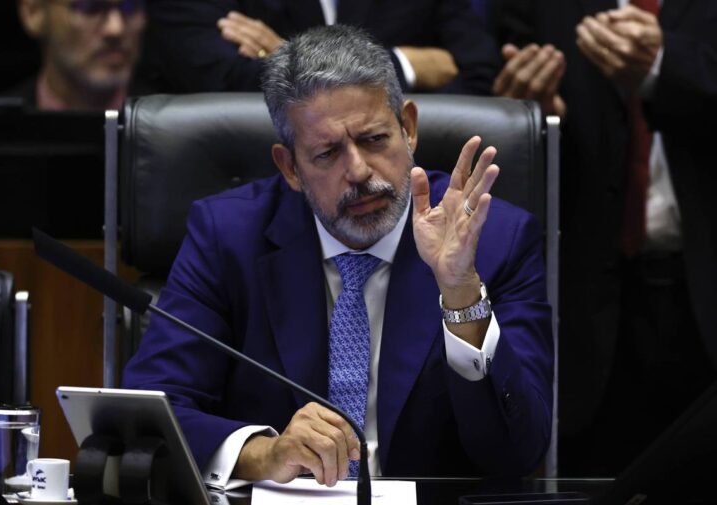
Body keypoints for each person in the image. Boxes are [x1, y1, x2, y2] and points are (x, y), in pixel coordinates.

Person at [122, 25, 553, 487]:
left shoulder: (495, 239)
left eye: (374, 139)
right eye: (327, 153)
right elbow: (150, 414)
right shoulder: (228, 236)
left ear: (408, 128)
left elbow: (518, 451)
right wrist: (262, 454)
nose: (359, 171)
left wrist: (460, 292)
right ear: (290, 167)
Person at [492, 0, 717, 475]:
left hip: (700, 290)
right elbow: (492, 93)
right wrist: (535, 118)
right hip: (586, 305)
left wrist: (665, 66)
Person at [133, 0, 500, 95]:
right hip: (251, 189)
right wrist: (402, 65)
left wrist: (284, 58)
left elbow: (480, 76)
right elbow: (224, 78)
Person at [14, 0, 146, 110]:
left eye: (131, 6)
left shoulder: (157, 127)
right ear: (34, 11)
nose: (116, 29)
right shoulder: (4, 127)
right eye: (90, 8)